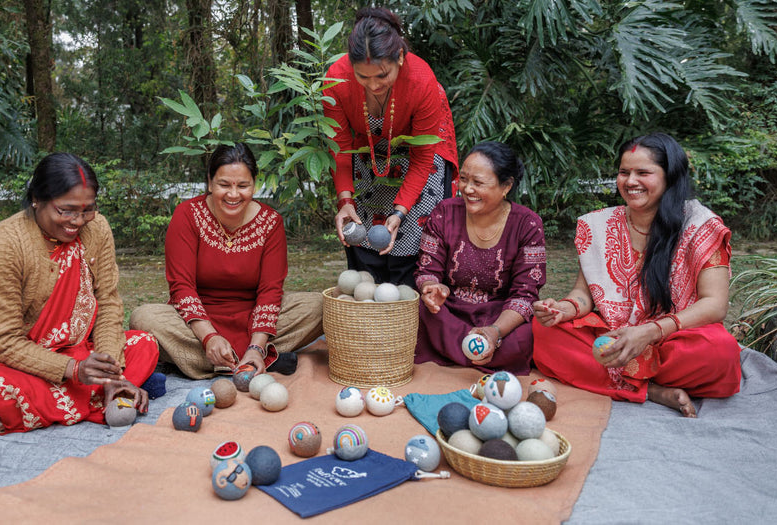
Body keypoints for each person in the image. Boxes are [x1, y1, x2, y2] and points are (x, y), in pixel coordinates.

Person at [0, 153, 161, 434]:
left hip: (79, 350)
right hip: (11, 361)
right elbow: (2, 342)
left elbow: (107, 303)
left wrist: (109, 373)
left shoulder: (98, 228)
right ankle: (100, 396)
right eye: (66, 210)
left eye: (87, 210)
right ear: (37, 199)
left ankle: (104, 390)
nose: (78, 221)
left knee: (144, 343)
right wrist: (73, 370)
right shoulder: (2, 245)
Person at [532, 133, 742, 418]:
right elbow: (584, 295)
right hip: (614, 337)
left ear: (670, 177)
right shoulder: (599, 225)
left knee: (720, 350)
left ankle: (621, 380)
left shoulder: (701, 225)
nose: (630, 181)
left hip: (672, 337)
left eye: (643, 173)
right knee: (542, 331)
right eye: (624, 172)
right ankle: (652, 390)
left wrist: (650, 331)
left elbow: (715, 305)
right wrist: (562, 310)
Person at [130, 143, 324, 379]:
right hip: (196, 322)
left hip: (253, 317)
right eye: (224, 185)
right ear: (210, 183)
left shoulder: (271, 222)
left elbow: (270, 290)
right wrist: (209, 337)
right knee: (143, 317)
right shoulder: (187, 214)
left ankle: (240, 357)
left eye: (243, 185)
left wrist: (256, 344)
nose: (233, 194)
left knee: (321, 306)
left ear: (254, 185)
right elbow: (181, 286)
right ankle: (261, 359)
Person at [324, 7, 459, 287]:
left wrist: (399, 212)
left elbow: (423, 158)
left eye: (382, 76)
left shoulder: (422, 82)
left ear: (399, 57)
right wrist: (345, 201)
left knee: (413, 241)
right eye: (363, 77)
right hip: (366, 153)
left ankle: (415, 315)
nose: (373, 85)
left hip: (419, 155)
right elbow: (340, 148)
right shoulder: (336, 80)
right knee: (363, 237)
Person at [415, 142, 546, 374]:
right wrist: (431, 287)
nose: (467, 189)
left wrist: (495, 332)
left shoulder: (528, 224)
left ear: (506, 186)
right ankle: (478, 357)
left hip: (499, 315)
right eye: (464, 179)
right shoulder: (444, 211)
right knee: (418, 312)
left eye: (478, 182)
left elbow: (525, 293)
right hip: (448, 311)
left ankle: (458, 353)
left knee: (528, 334)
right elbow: (427, 268)